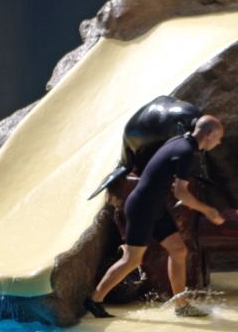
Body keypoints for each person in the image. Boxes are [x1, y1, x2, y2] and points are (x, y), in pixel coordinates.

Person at [85, 115, 226, 318]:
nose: (219, 142)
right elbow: (181, 193)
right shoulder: (186, 152)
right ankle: (94, 299)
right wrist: (207, 210)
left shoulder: (180, 142)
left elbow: (161, 172)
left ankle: (181, 306)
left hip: (154, 207)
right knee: (132, 260)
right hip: (142, 208)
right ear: (209, 134)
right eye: (219, 138)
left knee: (178, 250)